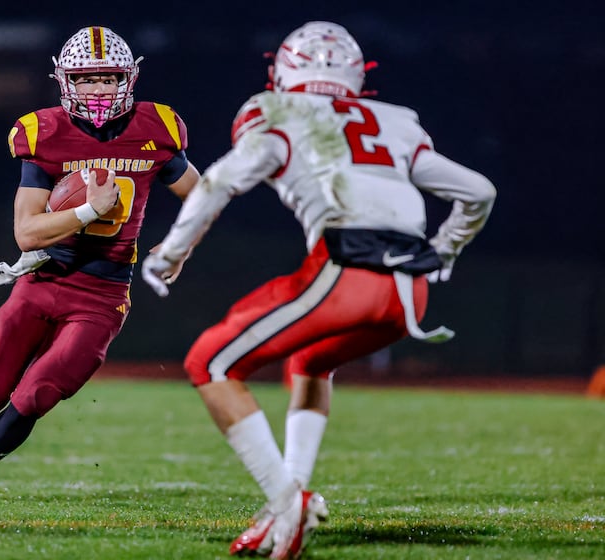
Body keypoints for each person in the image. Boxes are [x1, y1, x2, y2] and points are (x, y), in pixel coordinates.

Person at [141, 21, 496, 559]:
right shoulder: (395, 121)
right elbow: (479, 191)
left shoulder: (275, 110)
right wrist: (444, 251)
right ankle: (289, 509)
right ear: (355, 74)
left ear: (284, 70)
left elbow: (218, 181)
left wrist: (173, 251)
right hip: (410, 291)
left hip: (347, 271)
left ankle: (286, 502)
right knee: (309, 359)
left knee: (210, 363)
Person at [0, 25, 200, 504]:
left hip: (102, 295)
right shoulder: (45, 133)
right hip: (42, 280)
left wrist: (182, 246)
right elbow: (26, 233)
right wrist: (90, 210)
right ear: (65, 81)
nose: (99, 89)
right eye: (87, 80)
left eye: (108, 78)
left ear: (128, 79)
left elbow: (201, 195)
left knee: (37, 393)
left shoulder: (156, 129)